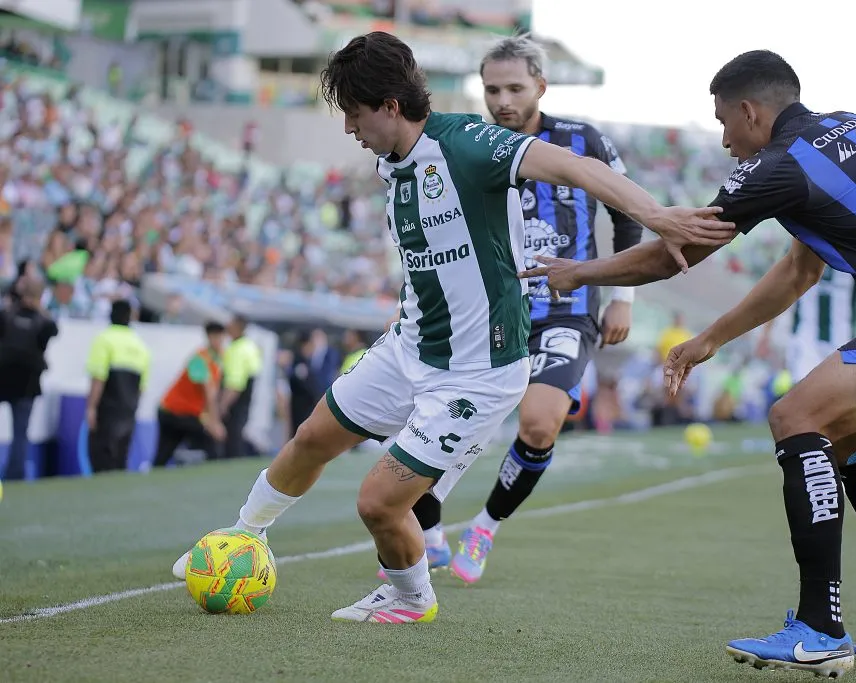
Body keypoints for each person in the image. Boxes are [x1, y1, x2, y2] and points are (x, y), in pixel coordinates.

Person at [169, 31, 732, 624]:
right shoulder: (393, 158)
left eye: (354, 115)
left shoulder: (467, 146)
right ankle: (243, 537)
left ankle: (411, 598)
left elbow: (574, 166)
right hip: (412, 345)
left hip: (478, 373)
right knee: (311, 438)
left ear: (391, 107)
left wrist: (658, 215)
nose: (347, 129)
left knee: (379, 504)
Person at [521, 50, 856, 677]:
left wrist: (580, 271)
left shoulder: (778, 168)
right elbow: (799, 270)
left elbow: (673, 253)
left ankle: (819, 628)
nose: (726, 139)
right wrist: (710, 338)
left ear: (750, 111)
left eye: (725, 122)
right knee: (840, 443)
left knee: (796, 417)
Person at [404, 34, 644, 585]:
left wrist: (623, 298)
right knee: (438, 424)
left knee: (538, 424)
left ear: (541, 85)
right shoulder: (465, 141)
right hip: (486, 312)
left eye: (515, 88)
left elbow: (627, 217)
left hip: (568, 308)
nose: (503, 100)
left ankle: (486, 525)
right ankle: (432, 530)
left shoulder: (583, 141)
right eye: (492, 89)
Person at [0, 277, 58, 480]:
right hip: (27, 382)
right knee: (20, 432)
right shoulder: (43, 321)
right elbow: (53, 331)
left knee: (20, 432)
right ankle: (14, 475)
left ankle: (14, 472)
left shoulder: (7, 314)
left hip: (3, 375)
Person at [85, 299, 151, 473]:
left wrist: (91, 407)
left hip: (107, 408)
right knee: (121, 459)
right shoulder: (140, 345)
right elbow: (142, 387)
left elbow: (98, 378)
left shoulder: (104, 339)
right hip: (128, 410)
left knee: (101, 458)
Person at [155, 321, 227, 467]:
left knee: (163, 455)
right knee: (210, 446)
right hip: (174, 412)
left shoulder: (216, 360)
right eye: (216, 337)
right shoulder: (199, 359)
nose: (219, 341)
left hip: (184, 413)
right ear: (209, 337)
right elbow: (209, 394)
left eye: (221, 337)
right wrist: (214, 423)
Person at [219, 315, 263, 459]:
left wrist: (222, 405)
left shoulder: (237, 349)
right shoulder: (249, 346)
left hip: (236, 399)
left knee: (232, 437)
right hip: (246, 396)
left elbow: (235, 384)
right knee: (238, 432)